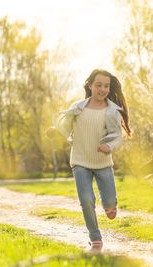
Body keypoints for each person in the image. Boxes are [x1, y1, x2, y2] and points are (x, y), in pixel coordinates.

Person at [47, 69, 132, 251]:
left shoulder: (112, 111)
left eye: (106, 86)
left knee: (109, 203)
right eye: (99, 85)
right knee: (86, 200)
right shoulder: (77, 107)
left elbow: (117, 137)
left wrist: (109, 146)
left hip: (102, 162)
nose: (103, 89)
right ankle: (95, 239)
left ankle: (109, 205)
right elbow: (65, 126)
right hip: (80, 161)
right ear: (90, 85)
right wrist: (55, 129)